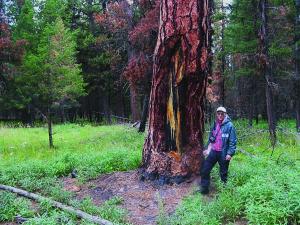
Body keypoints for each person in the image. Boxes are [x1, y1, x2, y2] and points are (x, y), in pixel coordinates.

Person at [199, 106, 237, 194]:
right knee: (205, 170)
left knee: (223, 173)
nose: (220, 115)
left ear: (225, 114)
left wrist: (230, 153)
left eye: (222, 114)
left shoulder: (230, 125)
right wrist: (207, 149)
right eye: (218, 113)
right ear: (216, 114)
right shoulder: (215, 124)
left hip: (223, 153)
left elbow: (233, 141)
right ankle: (204, 190)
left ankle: (224, 192)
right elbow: (211, 138)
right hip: (213, 151)